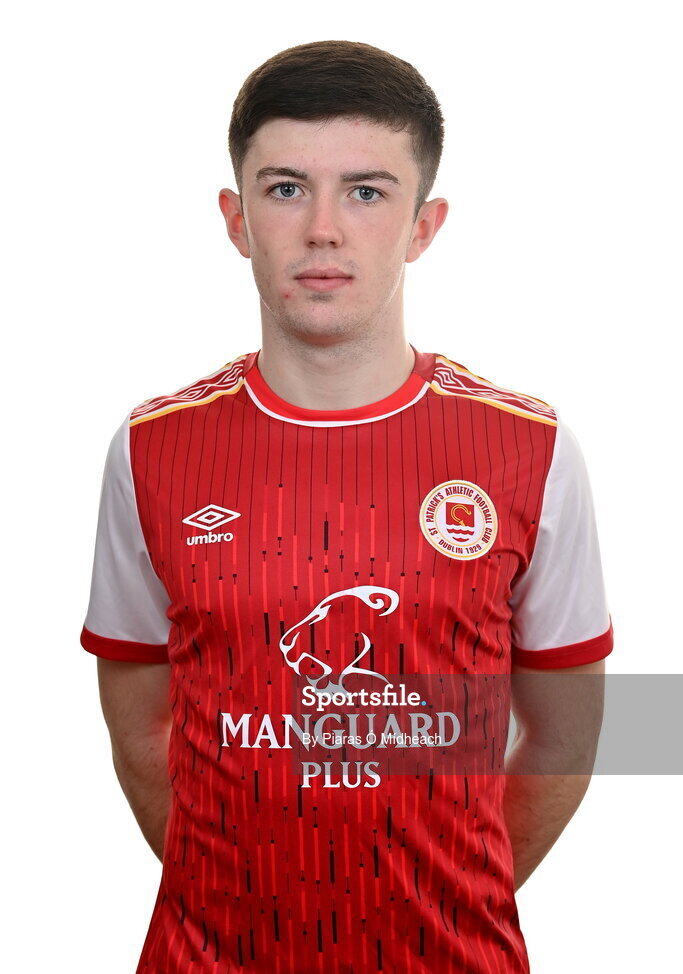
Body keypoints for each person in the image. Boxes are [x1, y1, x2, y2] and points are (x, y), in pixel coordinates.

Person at [81, 39, 614, 974]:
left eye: (366, 192)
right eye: (285, 188)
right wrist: (239, 902)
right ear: (236, 218)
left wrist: (449, 895)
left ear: (422, 224)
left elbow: (571, 732)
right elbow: (136, 725)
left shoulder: (532, 450)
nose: (322, 229)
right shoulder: (149, 450)